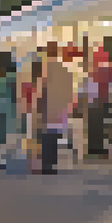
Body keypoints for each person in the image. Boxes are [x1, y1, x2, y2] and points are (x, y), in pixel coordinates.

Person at [37, 42, 76, 175]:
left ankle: (47, 164)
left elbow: (40, 89)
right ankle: (53, 162)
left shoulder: (46, 68)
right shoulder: (64, 69)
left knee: (47, 137)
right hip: (61, 108)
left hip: (48, 107)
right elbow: (70, 90)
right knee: (54, 136)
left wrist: (36, 105)